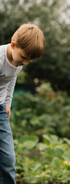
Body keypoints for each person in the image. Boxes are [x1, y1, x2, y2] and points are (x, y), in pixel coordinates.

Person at [0, 23, 45, 184]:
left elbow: (11, 81)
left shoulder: (19, 63)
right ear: (13, 45)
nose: (25, 63)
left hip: (0, 111)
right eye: (24, 58)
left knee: (8, 158)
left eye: (30, 60)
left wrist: (8, 103)